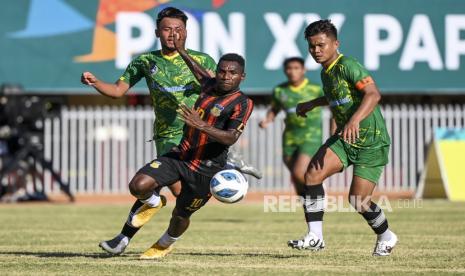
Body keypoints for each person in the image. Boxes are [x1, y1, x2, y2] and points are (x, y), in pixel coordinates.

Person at [80, 7, 259, 255]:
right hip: (167, 136)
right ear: (157, 32)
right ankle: (140, 219)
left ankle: (139, 239)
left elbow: (220, 92)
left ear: (186, 32)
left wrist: (208, 127)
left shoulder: (205, 62)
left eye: (178, 30)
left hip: (196, 139)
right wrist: (95, 82)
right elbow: (117, 91)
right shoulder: (145, 61)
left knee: (181, 199)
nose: (173, 34)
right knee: (154, 187)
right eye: (167, 29)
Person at [135, 27, 252, 258]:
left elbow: (231, 137)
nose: (226, 76)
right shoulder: (208, 85)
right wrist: (181, 50)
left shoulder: (242, 103)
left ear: (242, 77)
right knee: (138, 185)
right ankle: (153, 202)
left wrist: (202, 126)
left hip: (207, 169)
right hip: (182, 155)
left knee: (181, 214)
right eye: (222, 71)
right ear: (217, 72)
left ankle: (165, 243)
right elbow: (197, 70)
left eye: (232, 73)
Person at [288, 20, 397, 256]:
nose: (316, 51)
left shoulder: (349, 65)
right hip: (346, 138)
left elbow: (373, 94)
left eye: (321, 45)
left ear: (335, 43)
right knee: (312, 174)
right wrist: (312, 103)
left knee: (359, 200)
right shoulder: (326, 72)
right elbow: (336, 97)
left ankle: (386, 236)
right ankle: (315, 237)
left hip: (371, 141)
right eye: (312, 46)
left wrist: (354, 120)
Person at [259, 57, 322, 196]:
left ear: (304, 70)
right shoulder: (280, 90)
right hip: (289, 137)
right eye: (289, 68)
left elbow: (334, 105)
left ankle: (318, 195)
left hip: (311, 137)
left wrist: (335, 128)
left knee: (299, 172)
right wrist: (267, 120)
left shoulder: (315, 89)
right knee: (296, 177)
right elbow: (274, 108)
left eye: (296, 68)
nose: (292, 71)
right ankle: (309, 205)